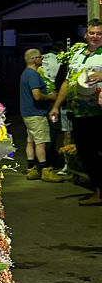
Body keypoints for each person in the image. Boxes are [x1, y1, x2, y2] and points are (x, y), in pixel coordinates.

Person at [49, 18, 102, 206]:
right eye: (92, 33)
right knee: (87, 153)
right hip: (78, 113)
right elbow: (67, 82)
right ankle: (98, 191)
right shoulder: (77, 54)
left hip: (99, 112)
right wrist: (56, 106)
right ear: (85, 35)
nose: (95, 36)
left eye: (99, 33)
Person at [19, 49, 62, 182]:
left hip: (27, 113)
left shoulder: (25, 74)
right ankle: (45, 169)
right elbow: (37, 95)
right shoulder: (32, 75)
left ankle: (31, 168)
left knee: (30, 141)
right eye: (40, 57)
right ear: (34, 59)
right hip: (36, 113)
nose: (42, 59)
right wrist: (50, 97)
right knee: (41, 142)